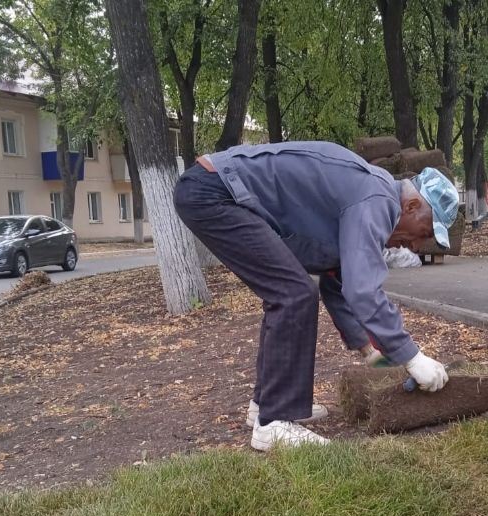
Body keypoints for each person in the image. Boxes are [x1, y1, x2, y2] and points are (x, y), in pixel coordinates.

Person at [173, 141, 456, 451]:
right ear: (412, 206)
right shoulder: (378, 198)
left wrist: (371, 351)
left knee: (290, 291)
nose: (416, 247)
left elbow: (339, 280)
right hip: (216, 191)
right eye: (426, 233)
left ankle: (264, 407)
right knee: (293, 293)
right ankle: (274, 422)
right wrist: (412, 356)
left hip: (214, 190)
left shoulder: (368, 195)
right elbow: (363, 290)